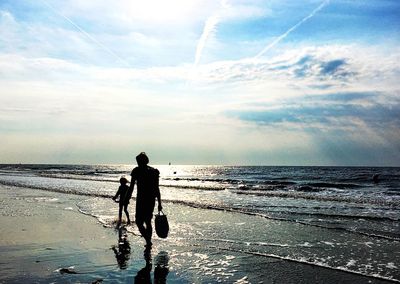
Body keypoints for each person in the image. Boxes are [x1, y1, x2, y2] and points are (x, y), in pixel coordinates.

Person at [130, 152, 162, 248]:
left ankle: (148, 241)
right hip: (150, 200)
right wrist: (159, 203)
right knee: (147, 222)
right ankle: (148, 240)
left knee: (139, 222)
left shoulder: (136, 171)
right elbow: (157, 189)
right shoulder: (153, 171)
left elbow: (131, 187)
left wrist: (127, 198)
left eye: (139, 161)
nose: (138, 163)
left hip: (142, 200)